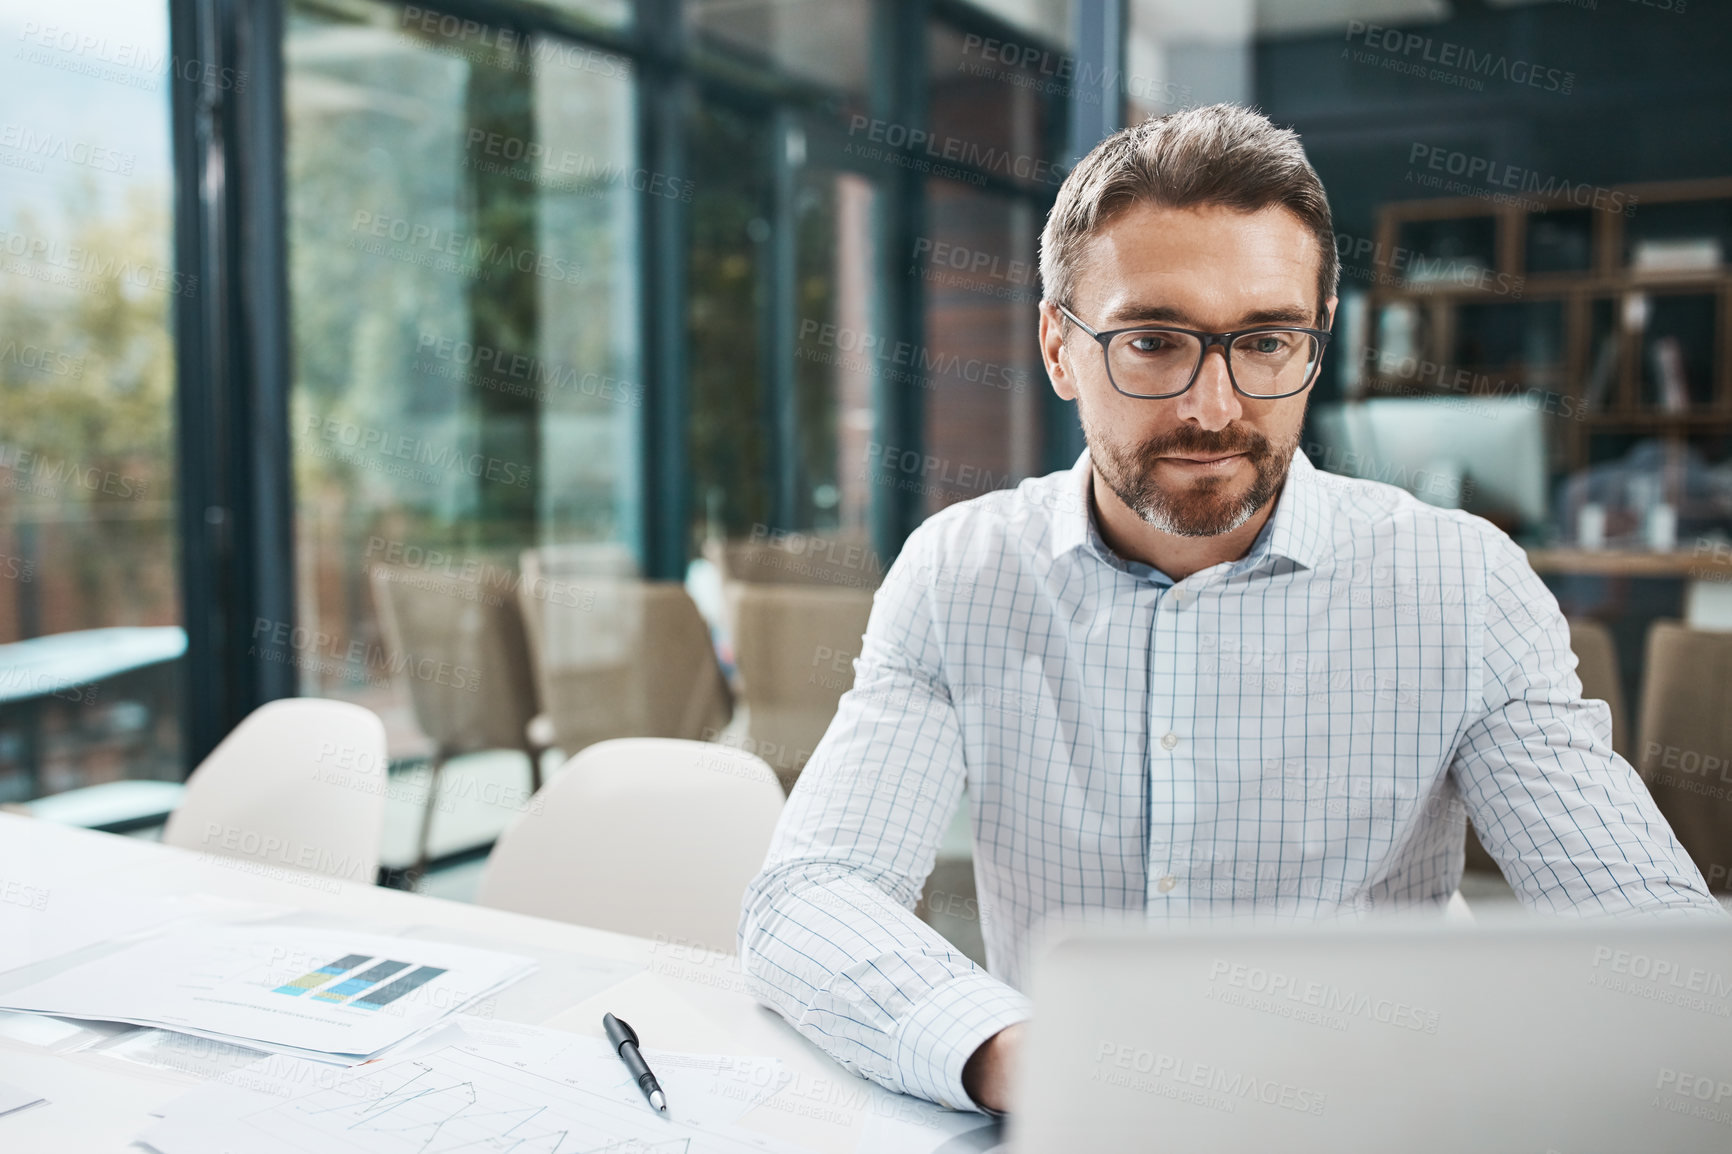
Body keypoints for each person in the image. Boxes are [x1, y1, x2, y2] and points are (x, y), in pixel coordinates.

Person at [737, 103, 1721, 1117]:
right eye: (1154, 341)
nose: (1212, 406)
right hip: (1072, 1122)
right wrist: (1019, 1053)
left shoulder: (1461, 585)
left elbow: (1652, 952)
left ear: (1317, 342)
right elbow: (811, 898)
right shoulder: (961, 571)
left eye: (1263, 339)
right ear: (1058, 347)